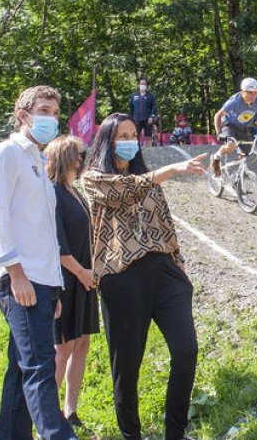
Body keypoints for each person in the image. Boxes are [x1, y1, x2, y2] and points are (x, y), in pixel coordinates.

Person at [80, 114, 207, 440]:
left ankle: (175, 434)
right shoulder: (93, 179)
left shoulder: (145, 176)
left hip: (165, 275)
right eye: (121, 135)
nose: (129, 140)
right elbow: (126, 191)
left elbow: (163, 221)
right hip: (121, 278)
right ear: (107, 141)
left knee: (186, 349)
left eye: (133, 134)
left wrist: (177, 261)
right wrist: (173, 169)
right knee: (127, 367)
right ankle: (131, 435)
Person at [0, 86, 76, 440]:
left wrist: (54, 287)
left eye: (55, 112)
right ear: (23, 115)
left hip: (42, 280)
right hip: (20, 279)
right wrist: (16, 275)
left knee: (21, 370)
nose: (51, 118)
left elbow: (43, 229)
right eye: (44, 110)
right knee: (40, 367)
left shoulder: (38, 160)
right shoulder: (6, 154)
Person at [44, 136, 99, 431]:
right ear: (66, 158)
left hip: (84, 278)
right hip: (65, 279)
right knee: (61, 348)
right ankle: (49, 414)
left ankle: (70, 411)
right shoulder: (51, 193)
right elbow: (57, 246)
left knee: (82, 343)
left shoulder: (73, 191)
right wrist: (81, 272)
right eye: (79, 155)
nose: (83, 160)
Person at [209, 77, 257, 176]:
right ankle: (216, 158)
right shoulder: (235, 101)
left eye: (256, 92)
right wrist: (219, 133)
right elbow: (218, 115)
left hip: (243, 127)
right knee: (231, 146)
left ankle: (238, 174)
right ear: (243, 91)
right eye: (250, 92)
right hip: (228, 125)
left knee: (247, 152)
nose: (253, 95)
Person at [128, 78, 157, 146]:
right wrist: (130, 119)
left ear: (146, 86)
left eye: (144, 84)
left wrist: (151, 117)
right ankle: (136, 153)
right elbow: (131, 108)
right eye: (141, 84)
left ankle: (149, 151)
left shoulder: (150, 95)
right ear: (138, 85)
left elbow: (154, 107)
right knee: (135, 136)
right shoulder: (134, 95)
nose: (143, 85)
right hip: (136, 119)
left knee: (148, 136)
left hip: (147, 120)